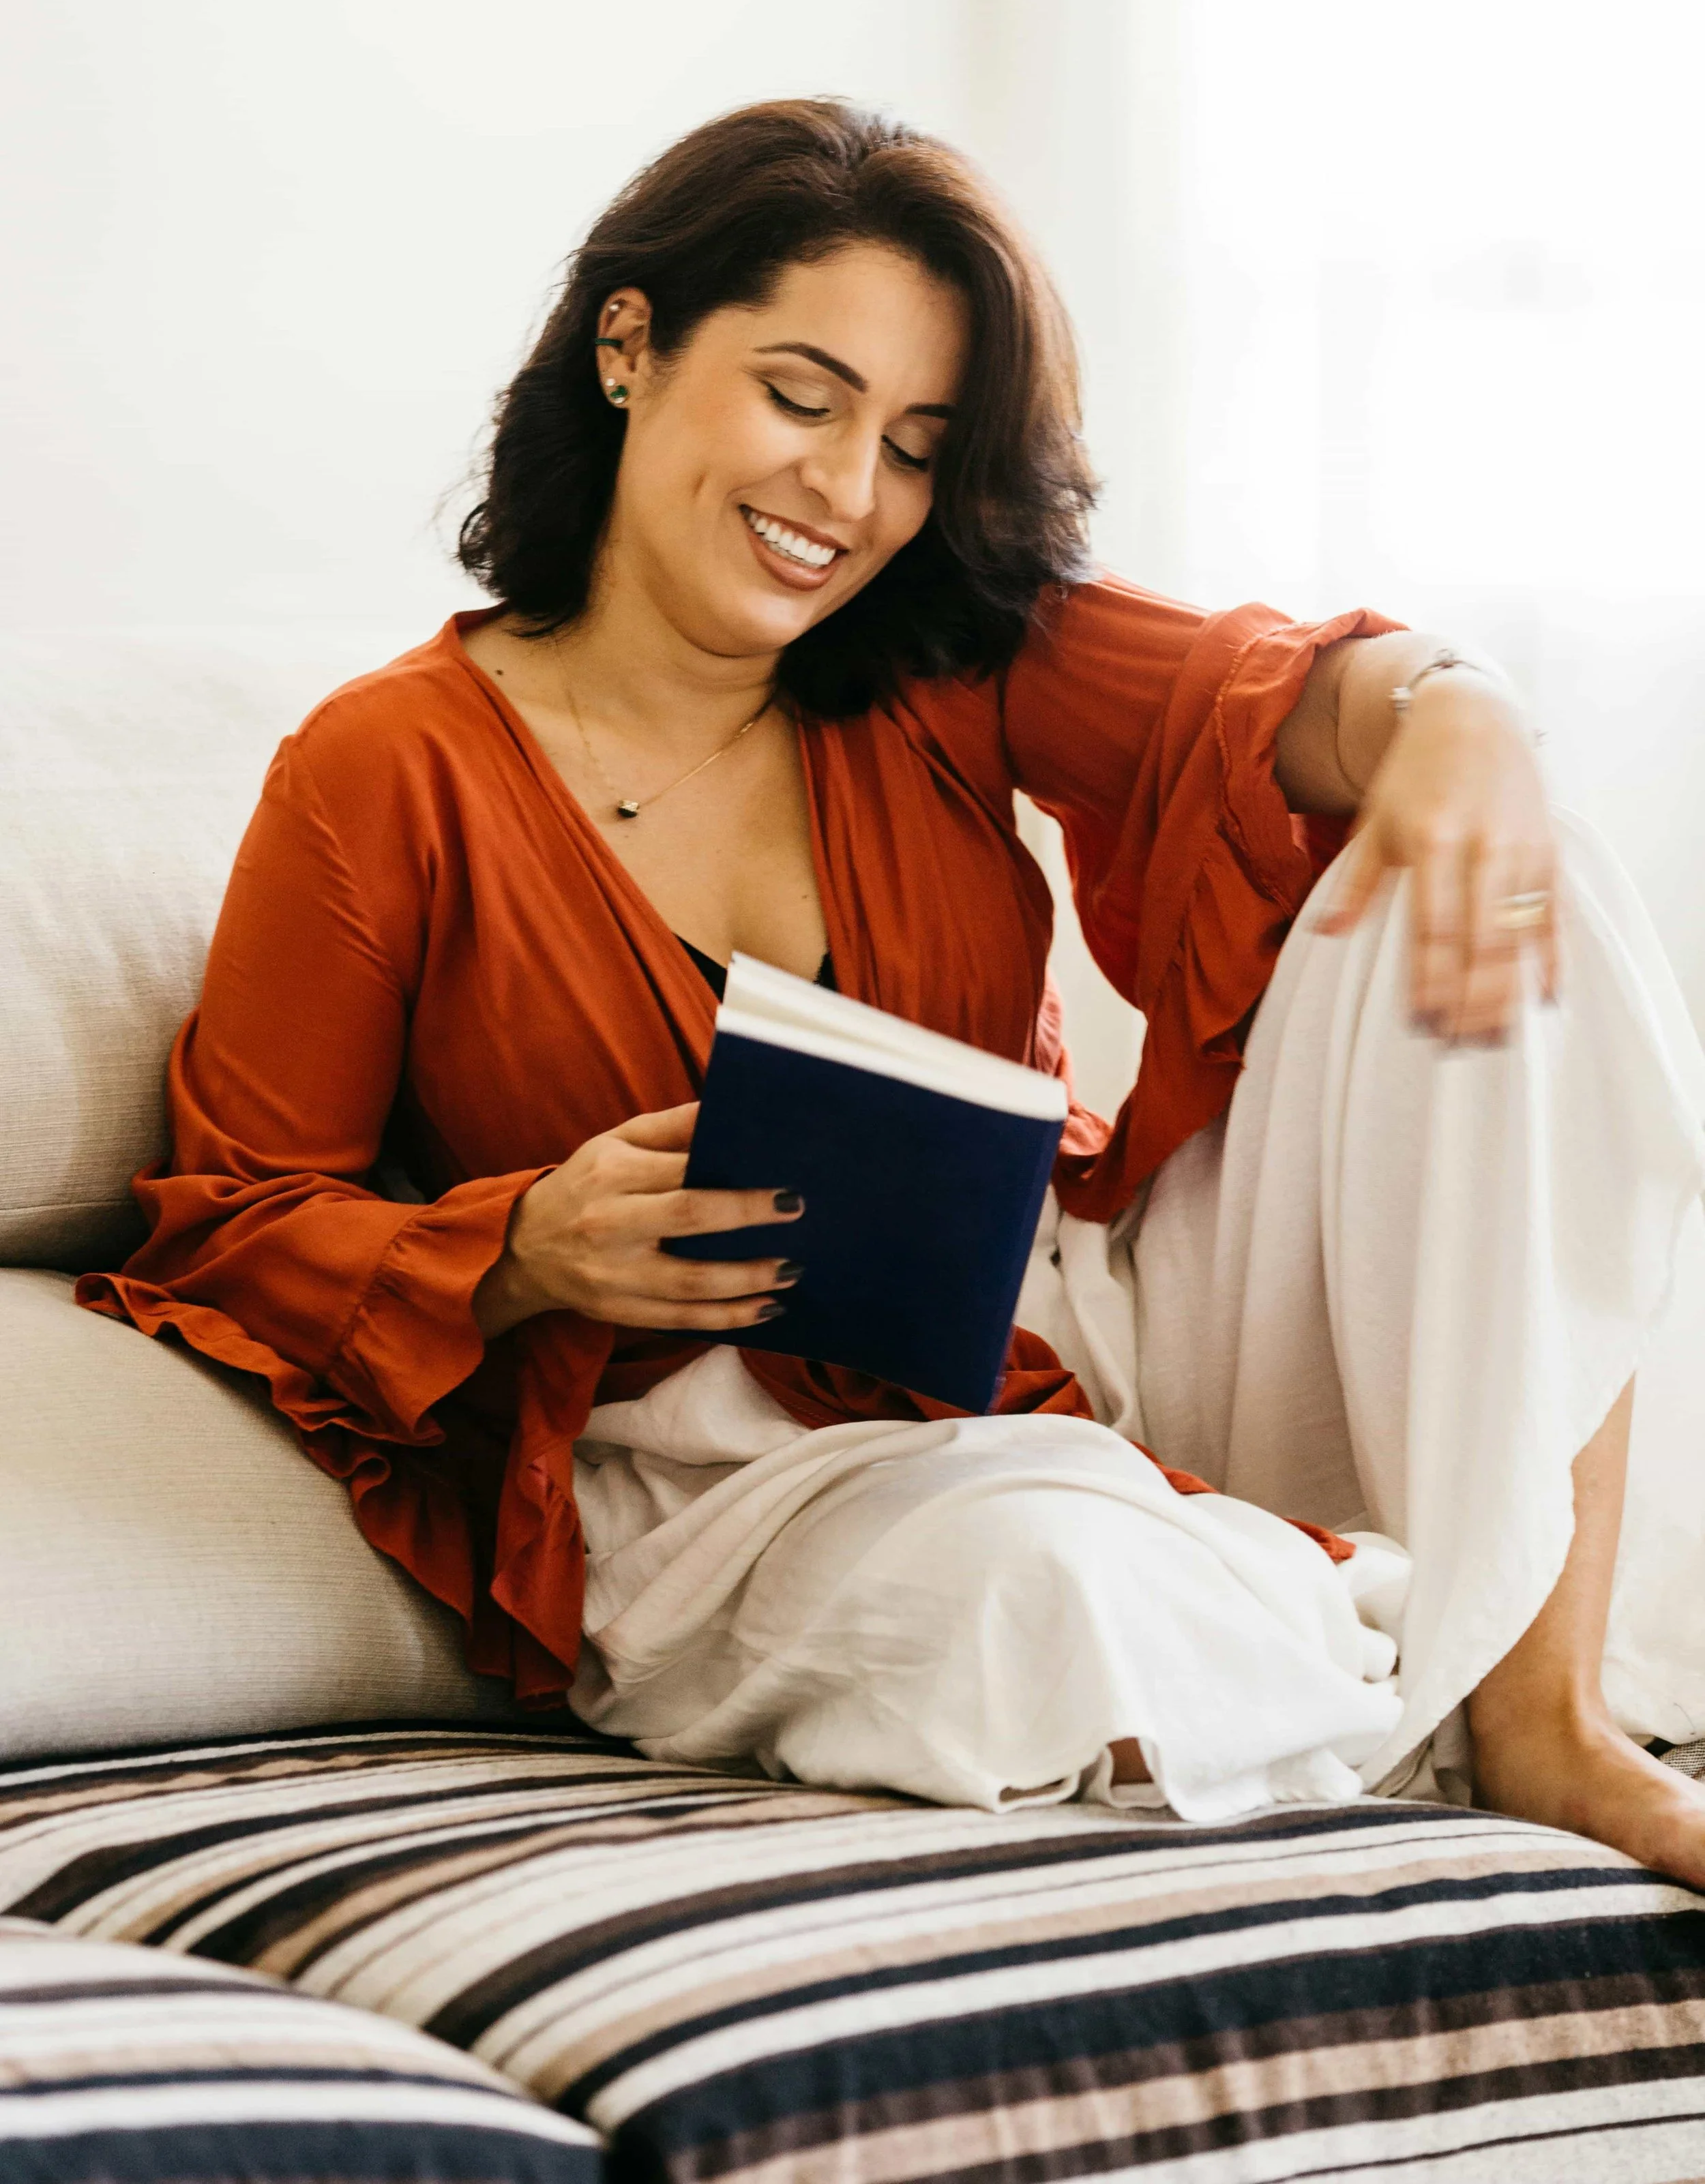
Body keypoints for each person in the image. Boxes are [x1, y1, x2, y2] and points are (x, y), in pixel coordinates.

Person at [80, 99, 1705, 1880]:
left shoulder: (944, 658)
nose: (847, 496)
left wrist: (1457, 710)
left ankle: (1542, 1724)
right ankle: (1362, 1637)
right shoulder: (385, 769)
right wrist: (523, 1242)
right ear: (629, 342)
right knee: (1042, 1592)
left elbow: (1270, 692)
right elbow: (229, 1222)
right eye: (801, 394)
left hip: (1076, 1334)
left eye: (916, 445)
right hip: (733, 1467)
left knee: (1515, 854)